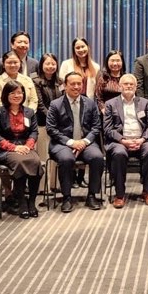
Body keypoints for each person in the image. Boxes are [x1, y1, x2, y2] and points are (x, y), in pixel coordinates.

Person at [47, 72, 105, 212]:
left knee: (97, 157)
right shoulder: (55, 104)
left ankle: (92, 195)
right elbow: (51, 129)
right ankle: (66, 197)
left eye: (79, 83)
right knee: (66, 159)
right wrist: (71, 142)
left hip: (86, 143)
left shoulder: (90, 103)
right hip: (62, 144)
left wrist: (84, 141)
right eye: (73, 84)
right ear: (65, 86)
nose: (76, 86)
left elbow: (96, 127)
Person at [0, 80, 43, 219]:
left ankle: (32, 202)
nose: (17, 95)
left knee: (36, 162)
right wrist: (14, 147)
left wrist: (27, 146)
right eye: (13, 93)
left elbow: (34, 132)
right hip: (5, 149)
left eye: (19, 92)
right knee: (20, 162)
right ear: (6, 94)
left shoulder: (29, 112)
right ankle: (22, 203)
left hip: (25, 147)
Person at [103, 74, 148, 208]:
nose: (128, 86)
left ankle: (147, 191)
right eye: (126, 84)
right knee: (119, 154)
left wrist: (142, 139)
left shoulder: (144, 103)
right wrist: (123, 140)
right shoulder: (111, 104)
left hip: (141, 140)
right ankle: (120, 195)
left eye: (131, 84)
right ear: (120, 86)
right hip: (120, 142)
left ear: (136, 87)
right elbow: (107, 129)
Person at [33, 53, 63, 195]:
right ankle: (41, 187)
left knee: (55, 154)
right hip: (42, 123)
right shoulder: (36, 81)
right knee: (43, 155)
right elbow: (39, 104)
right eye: (47, 64)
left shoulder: (60, 82)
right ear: (41, 65)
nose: (50, 66)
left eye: (53, 64)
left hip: (58, 124)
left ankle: (54, 184)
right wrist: (51, 117)